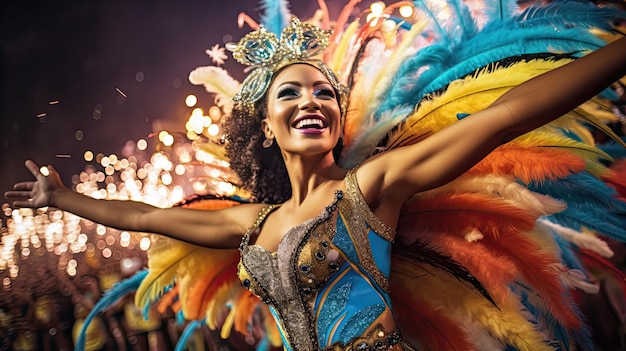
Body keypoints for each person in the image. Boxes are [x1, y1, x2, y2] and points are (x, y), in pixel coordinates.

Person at [6, 8, 626, 351]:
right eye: (291, 92)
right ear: (266, 126)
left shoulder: (373, 187)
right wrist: (63, 200)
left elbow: (504, 115)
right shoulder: (249, 224)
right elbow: (144, 217)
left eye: (324, 92)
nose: (312, 101)